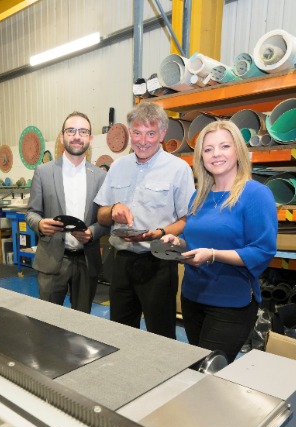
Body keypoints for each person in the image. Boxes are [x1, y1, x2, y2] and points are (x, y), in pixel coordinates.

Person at [161, 120, 277, 363]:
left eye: (224, 146)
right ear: (201, 156)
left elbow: (262, 250)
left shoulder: (255, 194)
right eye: (208, 149)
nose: (216, 154)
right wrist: (178, 242)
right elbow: (193, 239)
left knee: (208, 371)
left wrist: (213, 254)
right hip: (193, 297)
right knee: (199, 369)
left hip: (230, 303)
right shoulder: (199, 195)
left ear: (238, 151)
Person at [94, 102, 194, 338]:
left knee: (160, 336)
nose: (143, 140)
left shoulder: (179, 169)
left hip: (158, 263)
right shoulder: (118, 167)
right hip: (122, 262)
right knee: (120, 332)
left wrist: (159, 232)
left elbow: (187, 220)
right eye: (137, 133)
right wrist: (114, 210)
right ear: (130, 132)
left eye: (151, 133)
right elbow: (100, 215)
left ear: (162, 134)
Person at [26, 111, 108, 313]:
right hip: (53, 259)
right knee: (49, 321)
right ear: (62, 137)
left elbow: (106, 220)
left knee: (82, 323)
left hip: (86, 260)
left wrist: (92, 232)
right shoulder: (43, 173)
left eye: (83, 131)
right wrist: (40, 224)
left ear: (90, 138)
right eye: (71, 130)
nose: (77, 136)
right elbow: (31, 213)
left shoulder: (100, 176)